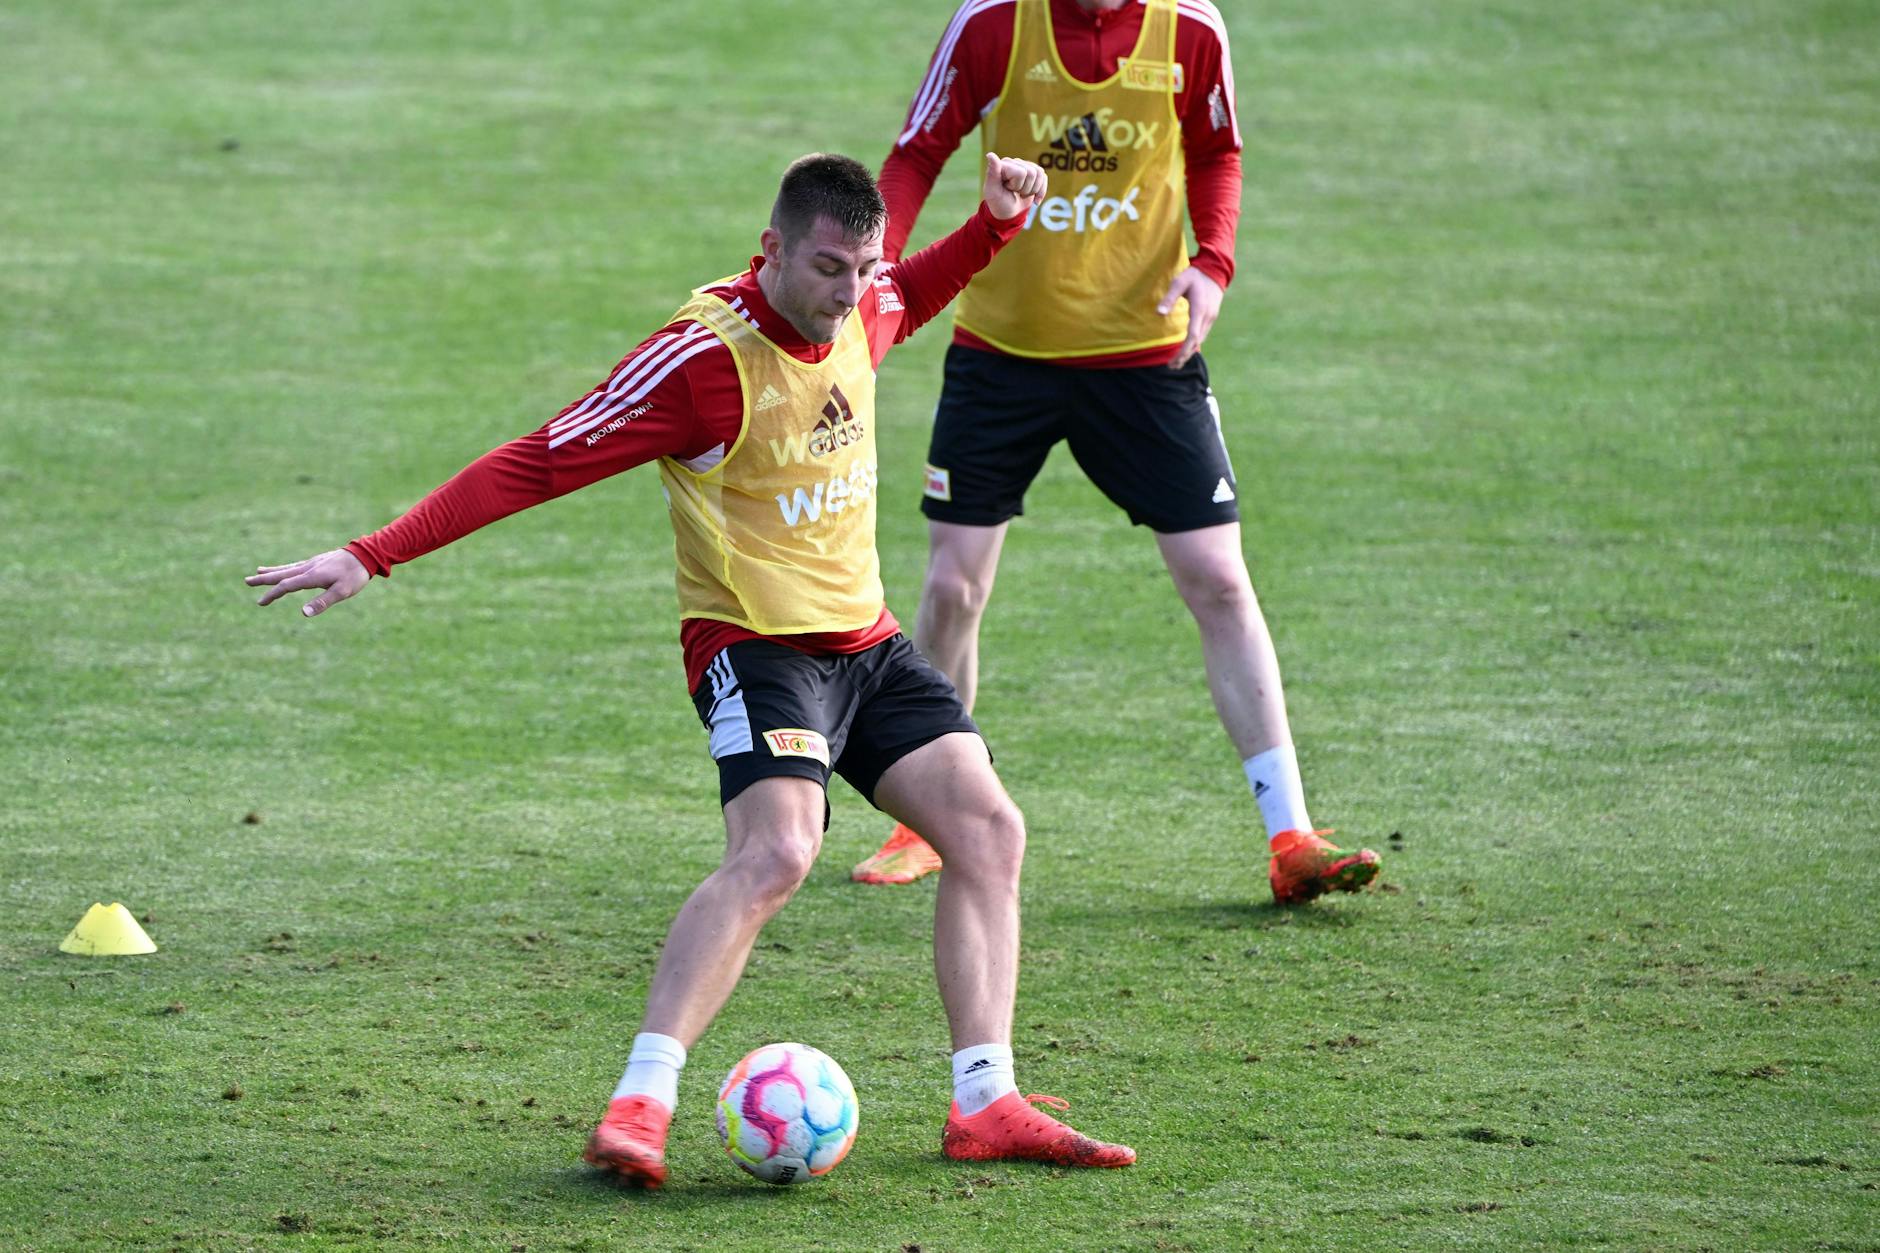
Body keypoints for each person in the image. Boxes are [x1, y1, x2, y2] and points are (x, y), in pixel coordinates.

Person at [247, 153, 1136, 1187]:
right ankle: (641, 1099)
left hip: (865, 644)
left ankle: (984, 1100)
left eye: (861, 267)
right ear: (770, 253)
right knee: (778, 853)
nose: (847, 293)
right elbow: (539, 457)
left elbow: (911, 291)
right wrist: (373, 550)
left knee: (988, 828)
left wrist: (991, 227)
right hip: (755, 648)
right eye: (826, 269)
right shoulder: (698, 365)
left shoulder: (863, 302)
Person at [847, 0, 1381, 905]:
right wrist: (880, 263)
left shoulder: (1190, 31)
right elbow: (917, 150)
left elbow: (1217, 152)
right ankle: (923, 822)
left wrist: (1212, 263)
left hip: (1145, 357)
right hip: (1002, 354)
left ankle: (1291, 835)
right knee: (952, 586)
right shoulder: (993, 25)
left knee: (1218, 578)